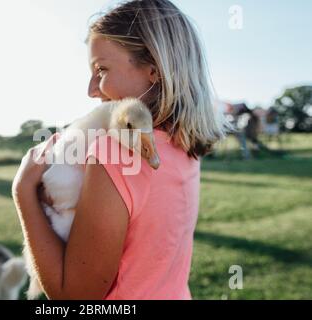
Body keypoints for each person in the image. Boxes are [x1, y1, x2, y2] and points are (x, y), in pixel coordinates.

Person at [12, 0, 228, 299]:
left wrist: (23, 190)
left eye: (101, 69)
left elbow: (75, 297)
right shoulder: (183, 145)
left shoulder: (114, 153)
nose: (91, 90)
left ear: (154, 70)